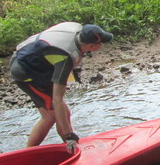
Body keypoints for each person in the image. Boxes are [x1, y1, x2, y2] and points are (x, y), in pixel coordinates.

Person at [10, 22, 113, 153]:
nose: (102, 45)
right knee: (50, 116)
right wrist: (68, 134)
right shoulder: (65, 58)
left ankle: (70, 148)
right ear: (91, 46)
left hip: (37, 63)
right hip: (26, 73)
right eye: (100, 43)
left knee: (64, 113)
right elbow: (57, 100)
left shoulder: (77, 31)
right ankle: (27, 153)